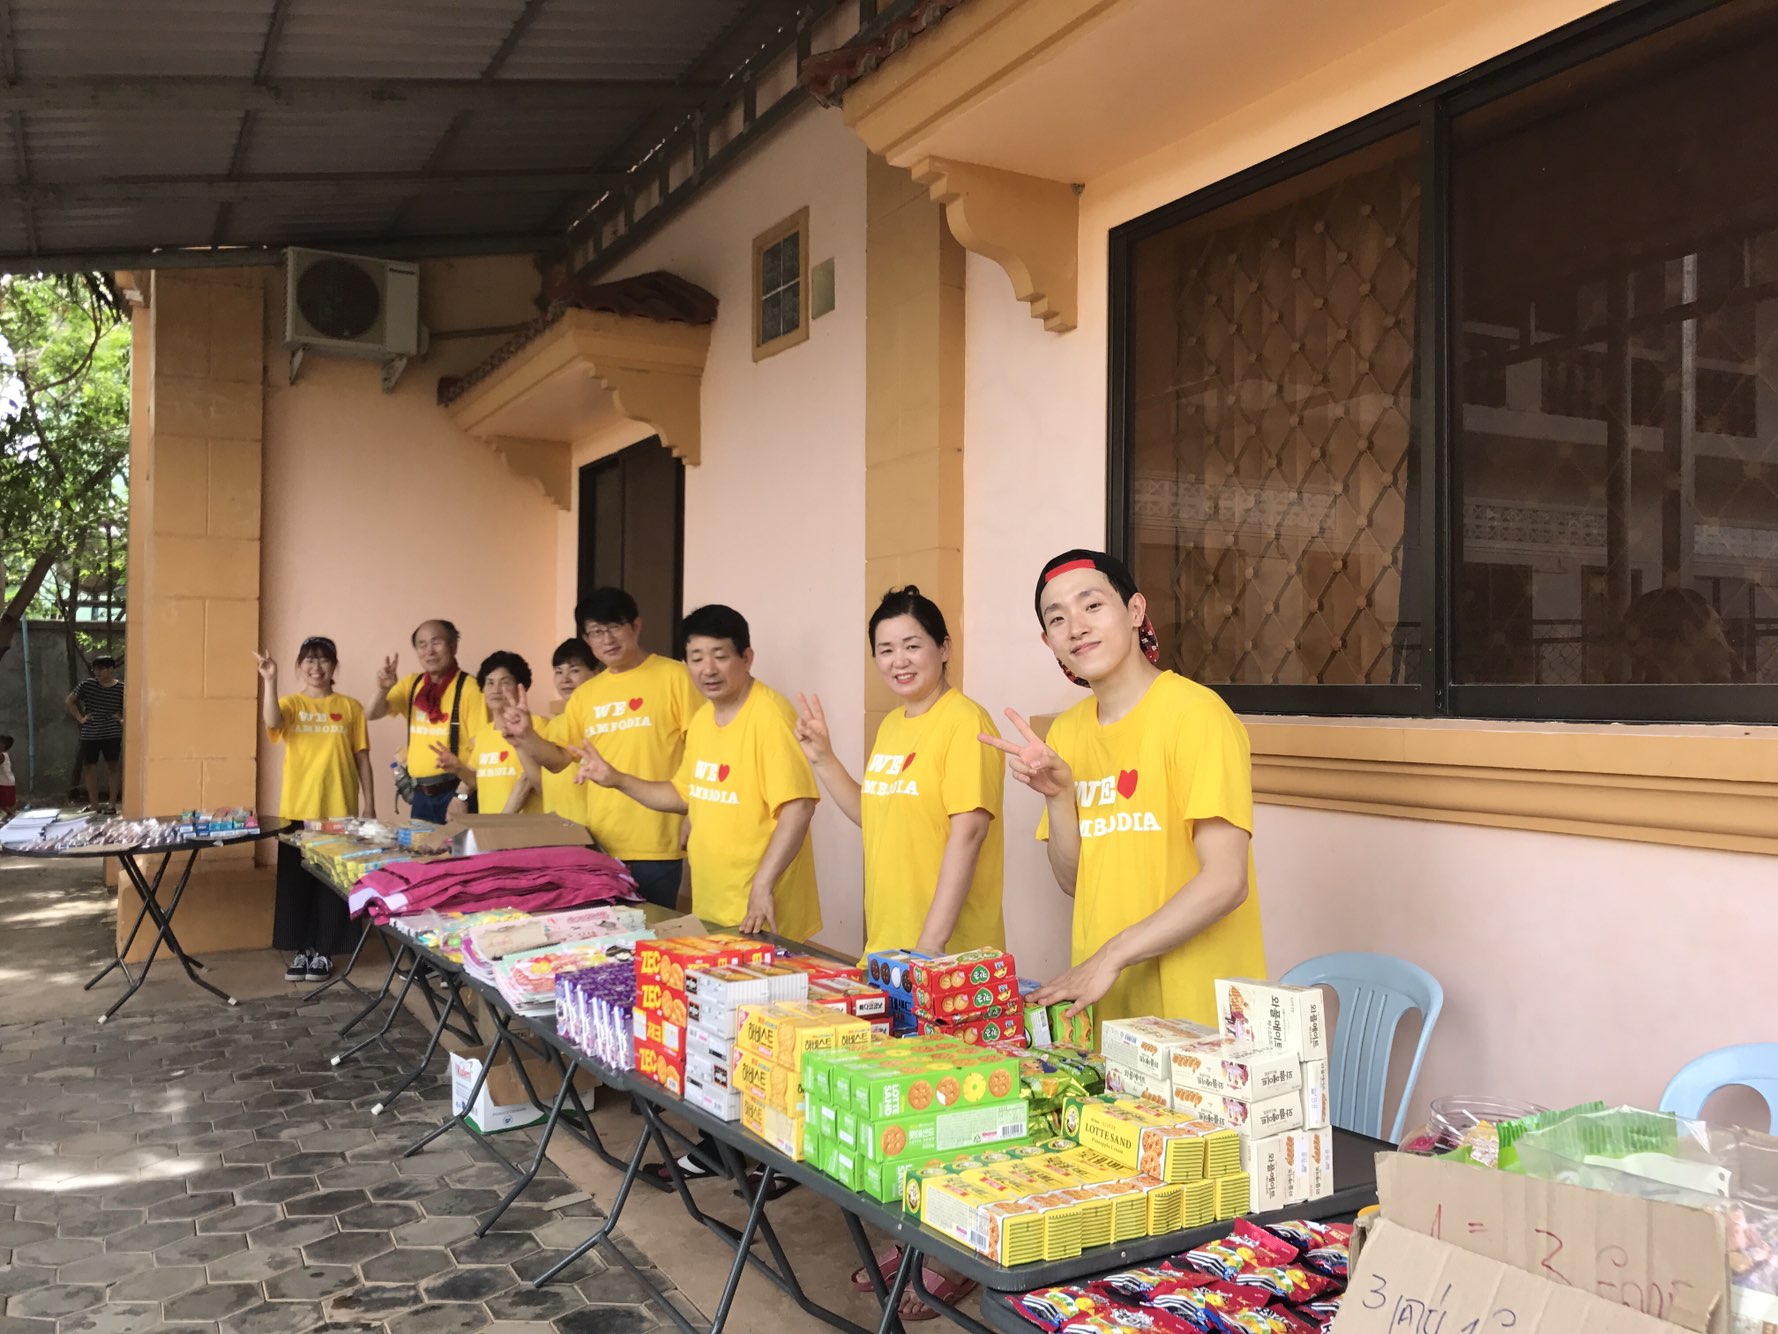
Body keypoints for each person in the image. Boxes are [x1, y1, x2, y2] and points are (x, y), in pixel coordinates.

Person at [984, 549, 1265, 1026]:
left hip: (1197, 1016)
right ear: (1049, 641)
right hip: (1109, 1008)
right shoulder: (1066, 733)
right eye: (1058, 618)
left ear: (1135, 611)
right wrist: (1058, 797)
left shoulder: (1197, 716)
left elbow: (1226, 880)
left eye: (1092, 605)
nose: (1076, 627)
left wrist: (1110, 956)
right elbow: (1074, 882)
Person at [795, 586, 1005, 958]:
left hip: (947, 957)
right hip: (887, 948)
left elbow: (969, 833)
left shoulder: (966, 722)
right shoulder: (892, 724)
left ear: (944, 648)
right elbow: (876, 815)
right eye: (886, 650)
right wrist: (823, 758)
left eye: (912, 646)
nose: (899, 661)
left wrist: (929, 945)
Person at [498, 588, 698, 908]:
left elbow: (702, 749)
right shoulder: (586, 695)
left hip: (656, 842)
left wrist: (694, 812)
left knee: (651, 931)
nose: (607, 639)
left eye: (615, 627)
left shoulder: (676, 677)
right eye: (596, 632)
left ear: (636, 626)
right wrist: (527, 736)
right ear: (587, 638)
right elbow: (559, 760)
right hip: (599, 843)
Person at [257, 638, 374, 983]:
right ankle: (302, 950)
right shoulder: (291, 704)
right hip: (297, 810)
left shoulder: (350, 707)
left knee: (332, 885)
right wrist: (270, 680)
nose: (316, 667)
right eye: (309, 660)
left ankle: (324, 952)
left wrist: (370, 802)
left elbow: (362, 757)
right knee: (297, 885)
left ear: (334, 666)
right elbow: (272, 719)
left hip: (338, 812)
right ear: (299, 666)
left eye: (323, 660)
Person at [367, 619, 486, 824]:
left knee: (458, 846)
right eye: (422, 645)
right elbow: (372, 713)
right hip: (421, 796)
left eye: (436, 642)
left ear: (453, 646)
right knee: (421, 845)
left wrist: (462, 796)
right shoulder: (412, 685)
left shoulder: (470, 689)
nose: (429, 651)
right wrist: (383, 689)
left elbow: (482, 749)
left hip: (456, 792)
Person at [430, 652, 544, 818]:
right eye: (490, 683)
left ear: (521, 687)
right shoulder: (483, 735)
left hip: (525, 827)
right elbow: (478, 782)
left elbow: (527, 781)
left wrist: (500, 824)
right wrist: (458, 769)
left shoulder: (537, 726)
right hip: (492, 827)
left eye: (505, 682)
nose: (496, 690)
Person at [539, 638, 599, 823]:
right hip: (556, 827)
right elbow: (540, 782)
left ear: (596, 673)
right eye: (559, 672)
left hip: (594, 826)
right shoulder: (553, 725)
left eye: (574, 670)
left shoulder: (602, 718)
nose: (565, 679)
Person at [67, 654, 124, 812]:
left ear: (110, 669)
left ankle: (112, 804)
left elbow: (131, 706)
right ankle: (94, 804)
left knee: (113, 766)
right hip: (90, 732)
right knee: (89, 766)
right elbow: (69, 701)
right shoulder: (87, 685)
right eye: (95, 669)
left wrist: (121, 720)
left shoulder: (122, 688)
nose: (97, 672)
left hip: (112, 732)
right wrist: (80, 718)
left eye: (100, 669)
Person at [0, 734, 15, 818]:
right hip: (7, 781)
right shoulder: (5, 754)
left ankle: (12, 816)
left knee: (4, 805)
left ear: (3, 746)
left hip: (4, 782)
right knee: (5, 805)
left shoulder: (1, 755)